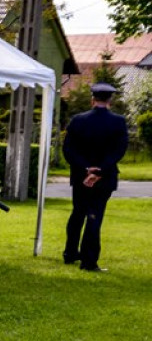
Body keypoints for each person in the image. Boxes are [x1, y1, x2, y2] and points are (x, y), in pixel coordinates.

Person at [62, 82, 129, 272]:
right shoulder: (118, 122)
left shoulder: (77, 120)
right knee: (94, 216)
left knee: (77, 213)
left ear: (93, 99)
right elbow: (119, 151)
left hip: (80, 176)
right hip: (104, 177)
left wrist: (85, 169)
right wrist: (99, 170)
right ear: (110, 100)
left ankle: (70, 252)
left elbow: (68, 149)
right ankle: (89, 260)